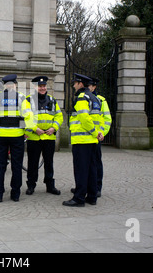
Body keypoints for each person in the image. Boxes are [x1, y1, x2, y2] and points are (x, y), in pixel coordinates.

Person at [0, 74, 34, 202]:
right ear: (15, 85)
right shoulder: (22, 98)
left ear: (4, 86)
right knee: (16, 166)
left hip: (0, 136)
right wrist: (27, 131)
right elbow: (28, 116)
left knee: (0, 165)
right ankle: (15, 194)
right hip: (17, 136)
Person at [63, 73, 104, 207]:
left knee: (81, 170)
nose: (73, 85)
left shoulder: (82, 98)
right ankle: (92, 196)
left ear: (80, 84)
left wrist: (93, 132)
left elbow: (84, 118)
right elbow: (100, 119)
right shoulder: (95, 98)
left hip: (82, 139)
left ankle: (79, 198)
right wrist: (98, 133)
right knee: (92, 169)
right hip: (92, 141)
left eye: (75, 83)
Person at [25, 76, 63, 196]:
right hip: (34, 137)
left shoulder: (52, 100)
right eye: (40, 86)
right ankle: (31, 185)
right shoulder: (28, 100)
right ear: (35, 87)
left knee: (49, 163)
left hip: (49, 137)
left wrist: (54, 128)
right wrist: (35, 129)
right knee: (32, 164)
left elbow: (59, 116)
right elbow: (24, 117)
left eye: (44, 86)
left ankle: (50, 186)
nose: (42, 88)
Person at [88, 77, 112, 196]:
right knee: (85, 163)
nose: (88, 87)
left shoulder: (101, 100)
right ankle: (85, 186)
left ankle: (97, 187)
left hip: (97, 137)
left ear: (94, 87)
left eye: (90, 85)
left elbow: (107, 119)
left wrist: (102, 133)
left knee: (96, 162)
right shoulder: (83, 98)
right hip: (85, 137)